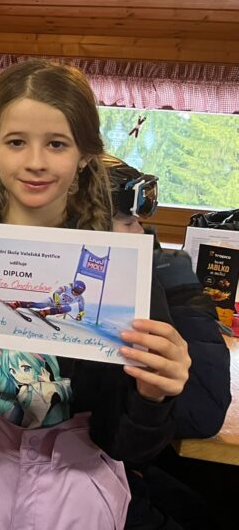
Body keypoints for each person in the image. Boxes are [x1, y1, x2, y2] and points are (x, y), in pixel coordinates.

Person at [0, 59, 191, 530]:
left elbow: (130, 446)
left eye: (57, 143)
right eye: (16, 142)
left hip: (78, 498)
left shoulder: (122, 271)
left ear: (85, 154)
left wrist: (153, 395)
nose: (35, 161)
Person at [103, 155, 231, 530]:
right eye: (129, 222)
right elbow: (202, 414)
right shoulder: (111, 309)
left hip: (121, 466)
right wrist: (185, 297)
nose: (142, 233)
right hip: (103, 482)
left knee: (200, 508)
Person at [4, 279, 87, 320]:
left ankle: (45, 312)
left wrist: (80, 316)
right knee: (40, 305)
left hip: (60, 306)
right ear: (73, 287)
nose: (76, 294)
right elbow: (56, 293)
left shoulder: (80, 298)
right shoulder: (67, 287)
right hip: (52, 300)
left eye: (78, 293)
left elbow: (82, 310)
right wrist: (57, 302)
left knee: (68, 308)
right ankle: (17, 304)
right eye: (75, 291)